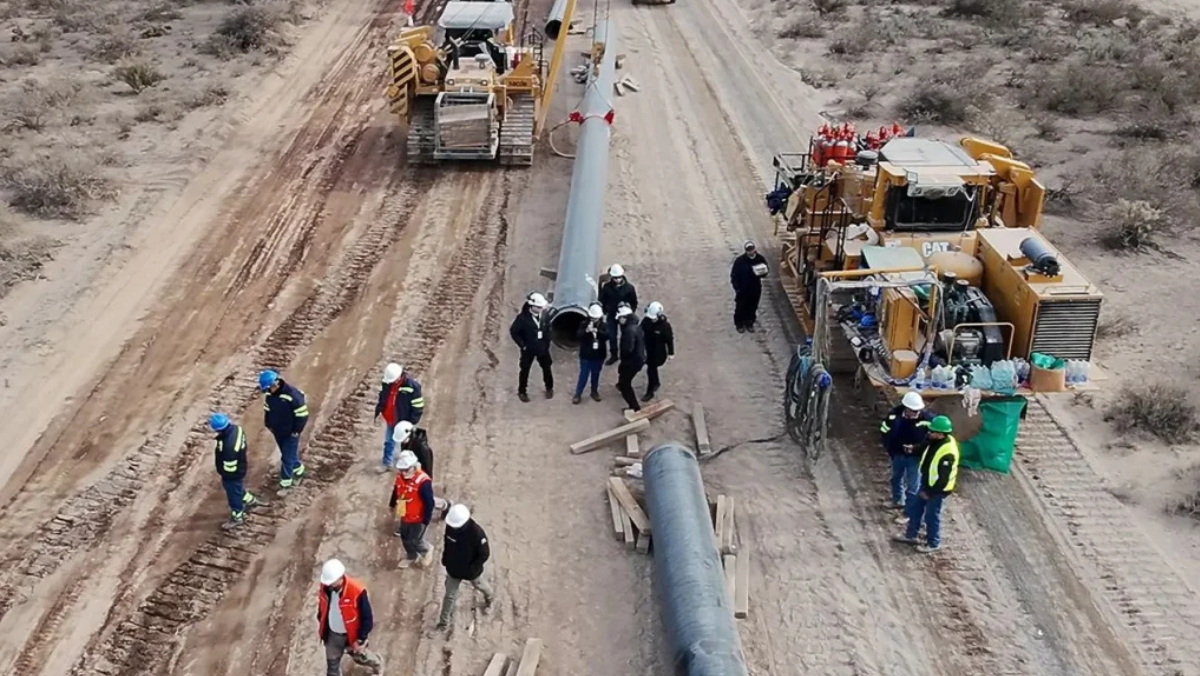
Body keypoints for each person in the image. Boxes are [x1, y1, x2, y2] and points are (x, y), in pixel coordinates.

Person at [894, 416, 960, 553]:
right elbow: (924, 447)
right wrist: (913, 449)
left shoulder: (948, 452)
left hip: (937, 490)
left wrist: (930, 493)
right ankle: (911, 535)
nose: (929, 433)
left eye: (933, 432)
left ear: (941, 434)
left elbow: (943, 479)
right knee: (915, 510)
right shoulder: (934, 440)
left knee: (931, 516)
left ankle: (933, 543)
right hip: (927, 483)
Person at [317, 559, 382, 675]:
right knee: (332, 666)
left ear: (340, 577)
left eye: (331, 581)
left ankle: (377, 663)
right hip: (333, 635)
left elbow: (367, 618)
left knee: (361, 658)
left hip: (352, 636)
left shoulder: (357, 590)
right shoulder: (325, 588)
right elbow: (322, 606)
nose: (329, 584)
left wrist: (361, 639)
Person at [435, 504, 494, 630]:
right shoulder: (450, 527)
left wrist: (473, 569)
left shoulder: (477, 533)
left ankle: (490, 598)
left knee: (480, 585)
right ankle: (444, 622)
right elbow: (447, 543)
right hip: (453, 569)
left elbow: (484, 553)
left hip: (470, 571)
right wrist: (445, 558)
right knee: (449, 596)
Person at [880, 391, 934, 511]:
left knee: (913, 485)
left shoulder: (928, 419)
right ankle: (898, 500)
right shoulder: (894, 416)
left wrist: (917, 449)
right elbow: (884, 430)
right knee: (896, 478)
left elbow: (934, 438)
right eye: (914, 411)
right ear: (906, 408)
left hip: (915, 457)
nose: (917, 413)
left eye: (918, 410)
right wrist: (889, 448)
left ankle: (910, 511)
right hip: (897, 454)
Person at [209, 413, 263, 531]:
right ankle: (250, 500)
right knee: (237, 488)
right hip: (240, 466)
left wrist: (225, 475)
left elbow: (230, 467)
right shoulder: (237, 430)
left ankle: (237, 516)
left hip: (233, 473)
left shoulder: (228, 446)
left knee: (233, 493)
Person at [260, 369, 309, 495]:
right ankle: (298, 469)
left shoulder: (293, 395)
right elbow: (267, 410)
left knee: (286, 458)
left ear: (274, 385)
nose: (267, 392)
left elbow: (302, 416)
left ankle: (285, 483)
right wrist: (268, 424)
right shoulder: (270, 396)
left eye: (268, 389)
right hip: (278, 431)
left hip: (290, 433)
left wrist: (296, 431)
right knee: (287, 453)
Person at [374, 362, 425, 473]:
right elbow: (383, 396)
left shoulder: (412, 386)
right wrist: (380, 410)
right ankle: (387, 463)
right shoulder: (387, 383)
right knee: (389, 441)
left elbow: (418, 405)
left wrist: (411, 421)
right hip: (391, 418)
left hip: (404, 421)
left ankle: (408, 464)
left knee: (407, 443)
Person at [393, 421, 449, 518]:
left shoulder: (422, 449)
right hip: (408, 472)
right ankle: (403, 520)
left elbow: (427, 467)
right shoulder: (407, 443)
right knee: (404, 494)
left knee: (419, 498)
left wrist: (421, 482)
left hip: (417, 476)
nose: (402, 442)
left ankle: (444, 505)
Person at [389, 450, 435, 568]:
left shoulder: (423, 482)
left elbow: (429, 502)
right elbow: (396, 490)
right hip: (405, 513)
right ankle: (411, 556)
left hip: (418, 518)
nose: (403, 473)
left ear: (414, 466)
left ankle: (426, 550)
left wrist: (425, 520)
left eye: (406, 470)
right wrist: (392, 504)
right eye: (401, 470)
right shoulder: (400, 477)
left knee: (415, 539)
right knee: (404, 537)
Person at [509, 291, 553, 403]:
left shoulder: (545, 315)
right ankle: (522, 391)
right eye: (538, 307)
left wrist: (547, 342)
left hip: (542, 348)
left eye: (541, 307)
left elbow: (548, 329)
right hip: (528, 350)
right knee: (525, 370)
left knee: (547, 367)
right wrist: (522, 345)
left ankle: (549, 387)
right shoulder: (522, 319)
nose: (540, 309)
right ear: (531, 306)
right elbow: (514, 332)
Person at [598, 264, 638, 364]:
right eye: (614, 278)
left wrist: (628, 315)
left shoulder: (629, 288)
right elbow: (602, 300)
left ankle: (625, 354)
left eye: (618, 277)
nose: (616, 280)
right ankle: (614, 355)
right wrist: (604, 311)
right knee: (612, 336)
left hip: (624, 316)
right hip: (611, 314)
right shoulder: (607, 287)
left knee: (626, 336)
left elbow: (634, 302)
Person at [730, 240, 769, 333]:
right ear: (746, 250)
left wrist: (763, 273)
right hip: (743, 288)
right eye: (748, 250)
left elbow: (765, 270)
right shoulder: (740, 261)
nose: (751, 251)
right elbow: (734, 275)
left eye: (752, 249)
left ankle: (749, 322)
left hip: (755, 288)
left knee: (752, 306)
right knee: (741, 306)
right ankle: (739, 323)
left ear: (755, 249)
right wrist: (737, 288)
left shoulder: (760, 259)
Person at [640, 301, 675, 402]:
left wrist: (671, 352)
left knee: (651, 370)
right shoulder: (646, 321)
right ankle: (656, 383)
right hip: (647, 350)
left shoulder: (664, 326)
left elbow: (669, 339)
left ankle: (650, 391)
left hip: (658, 353)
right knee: (651, 369)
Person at [573, 302, 608, 404]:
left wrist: (597, 332)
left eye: (596, 318)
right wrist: (587, 331)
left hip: (598, 355)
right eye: (592, 318)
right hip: (586, 356)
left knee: (595, 375)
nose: (594, 320)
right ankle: (578, 394)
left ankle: (594, 391)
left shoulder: (603, 325)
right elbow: (578, 336)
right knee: (583, 375)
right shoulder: (584, 324)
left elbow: (607, 336)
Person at [615, 303, 646, 413]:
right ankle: (620, 384)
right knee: (623, 375)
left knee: (625, 384)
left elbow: (627, 349)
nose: (618, 320)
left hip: (632, 362)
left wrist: (623, 361)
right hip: (638, 358)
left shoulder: (629, 331)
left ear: (624, 318)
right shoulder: (634, 326)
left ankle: (634, 406)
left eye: (619, 318)